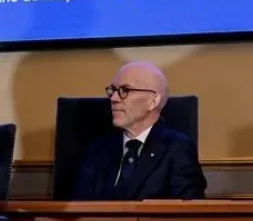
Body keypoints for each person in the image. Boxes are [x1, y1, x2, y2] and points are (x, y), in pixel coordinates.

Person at [72, 61, 206, 200]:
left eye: (125, 91)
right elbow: (79, 211)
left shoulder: (177, 150)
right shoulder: (97, 150)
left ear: (153, 101)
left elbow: (189, 215)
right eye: (113, 90)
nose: (114, 98)